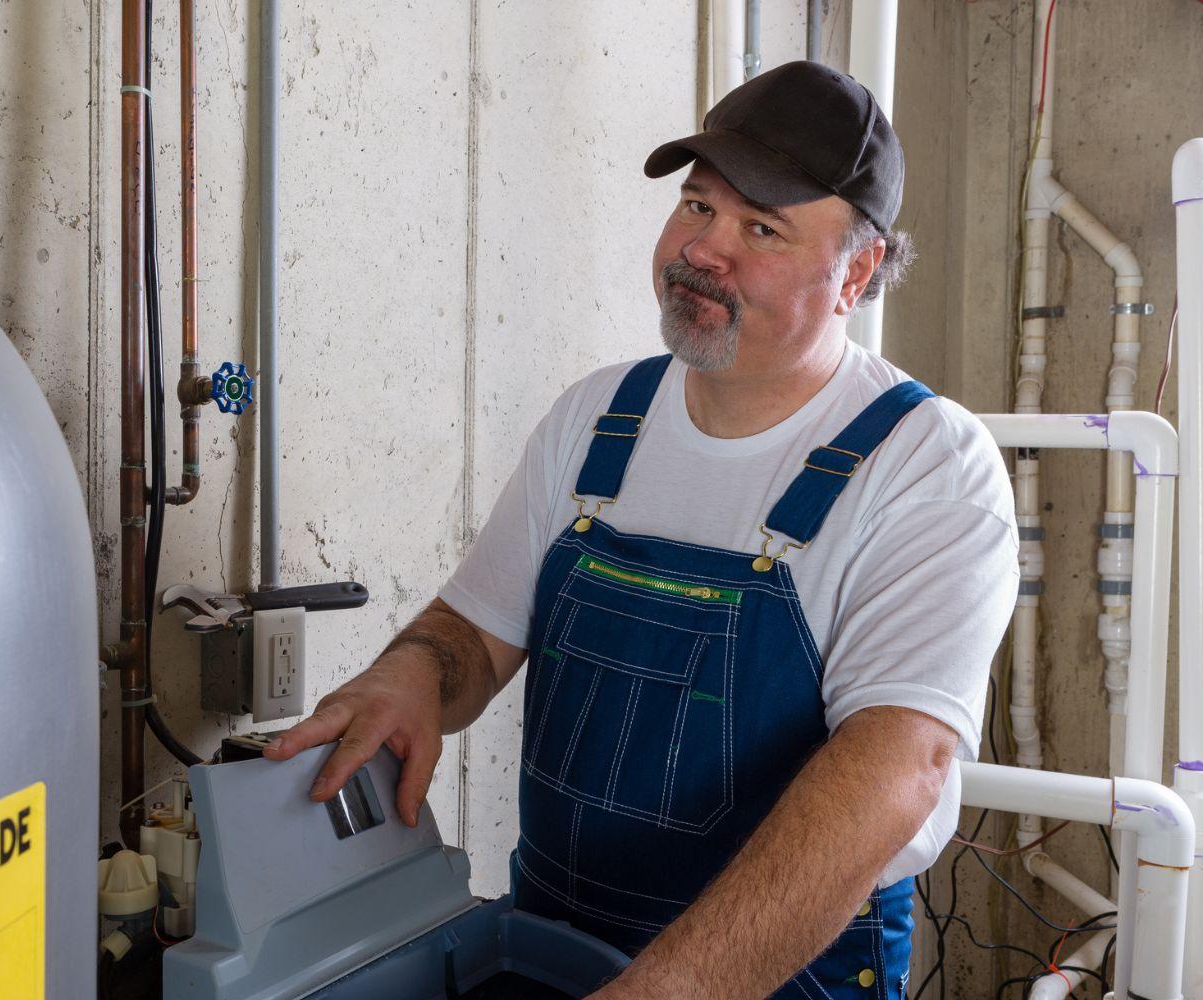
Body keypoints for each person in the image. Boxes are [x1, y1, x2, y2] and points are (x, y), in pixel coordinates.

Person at [264, 60, 1018, 998]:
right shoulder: (599, 419)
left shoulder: (925, 467)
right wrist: (410, 675)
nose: (705, 250)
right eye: (698, 207)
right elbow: (473, 632)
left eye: (761, 228)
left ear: (857, 271)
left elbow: (891, 776)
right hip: (547, 947)